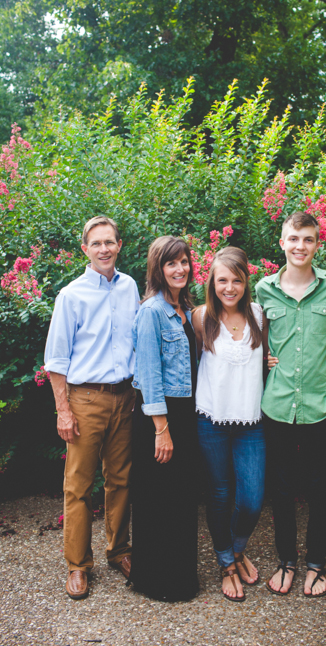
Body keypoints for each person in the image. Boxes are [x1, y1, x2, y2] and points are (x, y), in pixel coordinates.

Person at [44, 216, 140, 599]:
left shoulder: (130, 287)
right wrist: (63, 411)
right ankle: (78, 566)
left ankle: (119, 551)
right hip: (85, 400)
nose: (104, 249)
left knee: (121, 479)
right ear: (85, 249)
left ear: (119, 245)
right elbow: (56, 361)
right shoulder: (71, 295)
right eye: (96, 243)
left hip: (125, 397)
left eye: (109, 242)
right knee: (79, 487)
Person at [255, 211, 326, 597]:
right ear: (282, 242)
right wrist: (261, 358)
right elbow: (254, 337)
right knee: (281, 488)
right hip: (277, 404)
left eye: (307, 240)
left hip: (320, 404)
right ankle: (286, 561)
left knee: (320, 487)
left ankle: (317, 564)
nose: (300, 247)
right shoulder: (263, 289)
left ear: (316, 243)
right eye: (293, 239)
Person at [192, 247, 267, 602]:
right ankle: (225, 562)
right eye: (223, 280)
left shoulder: (259, 315)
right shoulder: (201, 317)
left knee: (252, 499)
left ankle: (237, 549)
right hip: (211, 420)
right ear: (212, 282)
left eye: (237, 280)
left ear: (246, 281)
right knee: (220, 495)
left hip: (251, 421)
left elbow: (277, 357)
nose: (230, 287)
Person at [130, 236, 200, 601]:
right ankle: (158, 581)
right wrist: (162, 429)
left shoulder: (186, 309)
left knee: (181, 497)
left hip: (184, 415)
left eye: (184, 261)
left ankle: (181, 575)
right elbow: (148, 374)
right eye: (171, 263)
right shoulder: (152, 311)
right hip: (161, 417)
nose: (180, 269)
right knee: (159, 499)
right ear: (158, 268)